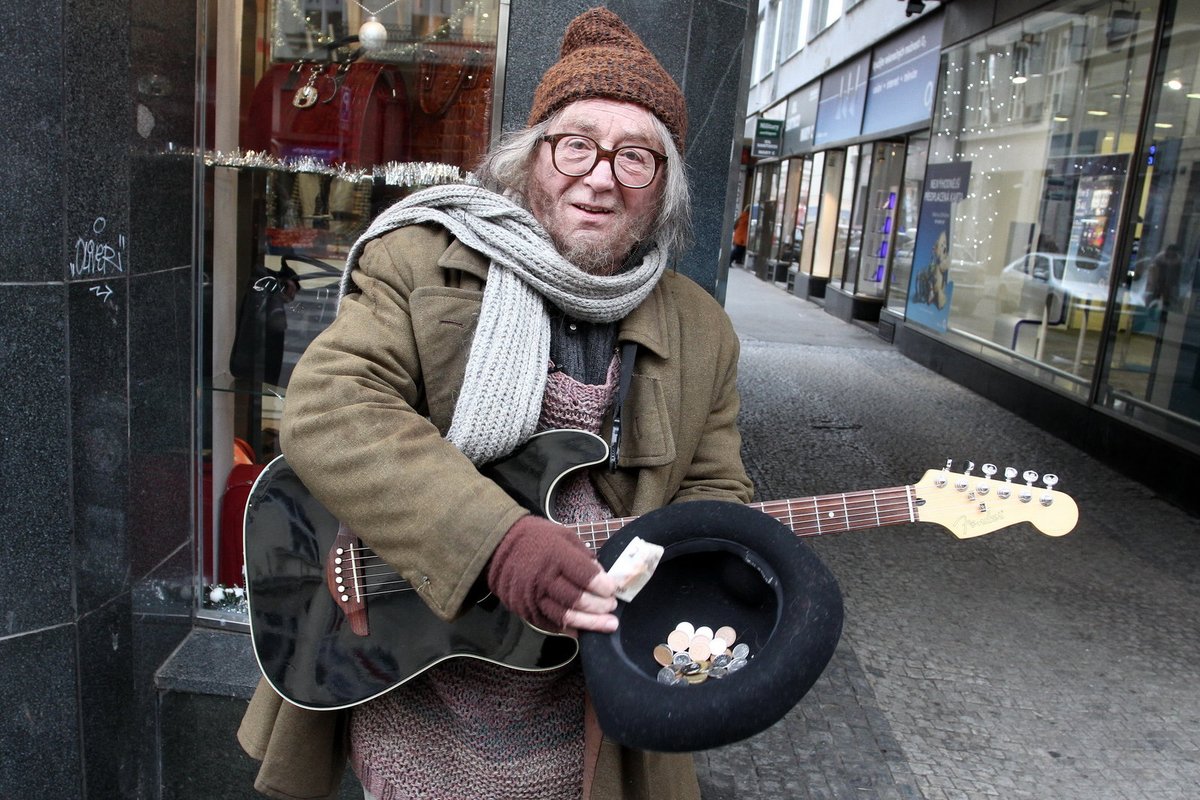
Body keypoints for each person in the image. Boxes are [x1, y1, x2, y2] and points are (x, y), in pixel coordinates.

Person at [237, 8, 753, 800]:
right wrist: (499, 542)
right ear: (531, 157)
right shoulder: (419, 257)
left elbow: (717, 496)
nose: (600, 174)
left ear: (664, 190)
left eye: (636, 157)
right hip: (414, 679)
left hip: (585, 711)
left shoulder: (702, 331)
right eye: (575, 144)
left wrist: (690, 568)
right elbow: (331, 408)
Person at [1146, 243, 1183, 311]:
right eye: (1170, 251)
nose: (1171, 253)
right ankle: (1151, 312)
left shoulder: (1178, 259)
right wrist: (1154, 281)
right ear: (1168, 250)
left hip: (1170, 282)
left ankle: (1164, 314)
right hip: (1159, 280)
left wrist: (1174, 283)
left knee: (1167, 300)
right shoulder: (1160, 257)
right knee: (1155, 297)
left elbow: (1177, 273)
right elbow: (1154, 270)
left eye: (1173, 252)